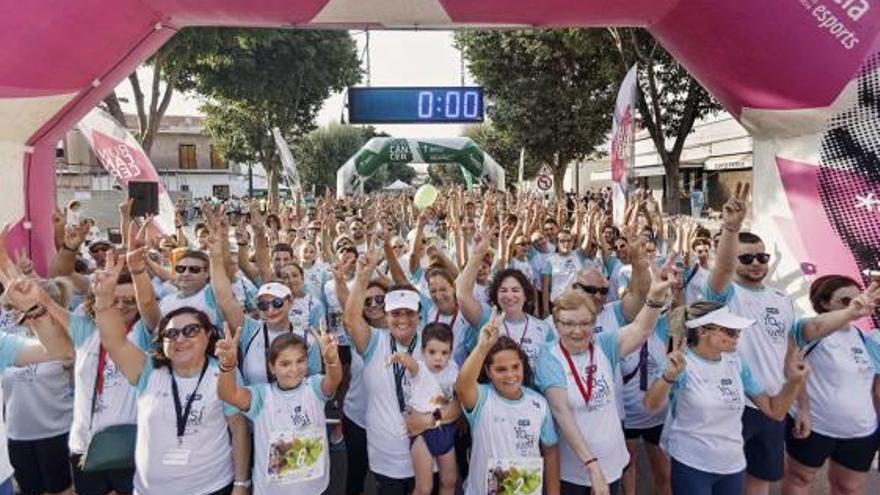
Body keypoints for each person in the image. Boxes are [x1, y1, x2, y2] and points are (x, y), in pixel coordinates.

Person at [92, 254, 251, 495]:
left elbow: (238, 429)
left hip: (213, 487)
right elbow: (114, 342)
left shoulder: (223, 370)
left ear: (208, 335)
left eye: (191, 330)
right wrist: (104, 300)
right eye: (171, 334)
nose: (181, 339)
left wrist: (241, 483)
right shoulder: (148, 371)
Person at [535, 257, 675, 495]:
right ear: (556, 325)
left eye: (585, 323)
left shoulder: (603, 345)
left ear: (594, 322)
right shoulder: (549, 358)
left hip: (612, 462)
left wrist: (654, 297)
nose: (578, 331)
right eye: (569, 324)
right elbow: (562, 413)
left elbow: (641, 328)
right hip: (574, 470)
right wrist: (592, 465)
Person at [644, 301, 810, 495]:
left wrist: (793, 382)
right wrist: (668, 376)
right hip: (692, 464)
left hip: (732, 465)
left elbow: (775, 411)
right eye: (730, 331)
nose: (738, 335)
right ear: (703, 331)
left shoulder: (736, 363)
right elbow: (650, 404)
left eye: (738, 331)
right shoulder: (681, 363)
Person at [704, 183, 798, 495]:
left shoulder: (782, 299)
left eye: (761, 256)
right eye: (747, 259)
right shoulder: (724, 293)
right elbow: (724, 266)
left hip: (773, 405)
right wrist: (731, 228)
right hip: (734, 405)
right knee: (725, 481)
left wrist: (802, 406)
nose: (756, 262)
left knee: (761, 480)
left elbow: (791, 357)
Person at [342, 251, 460, 494]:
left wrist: (429, 420)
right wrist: (362, 276)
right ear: (386, 315)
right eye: (396, 313)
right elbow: (352, 318)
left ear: (419, 314)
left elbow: (458, 404)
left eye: (409, 312)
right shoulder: (374, 342)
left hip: (429, 454)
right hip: (387, 458)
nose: (402, 319)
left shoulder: (434, 345)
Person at [782, 276, 880, 495]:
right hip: (814, 426)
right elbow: (794, 370)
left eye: (859, 299)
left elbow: (876, 390)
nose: (857, 305)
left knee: (849, 487)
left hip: (861, 431)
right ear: (824, 303)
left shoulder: (869, 340)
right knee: (799, 479)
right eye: (846, 300)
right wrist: (803, 410)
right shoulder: (809, 331)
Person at [216, 324, 342, 495]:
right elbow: (228, 394)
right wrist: (228, 366)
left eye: (301, 360)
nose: (294, 369)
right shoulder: (261, 395)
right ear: (272, 367)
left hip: (315, 489)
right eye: (285, 364)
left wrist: (331, 360)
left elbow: (333, 380)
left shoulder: (314, 387)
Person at [456, 311, 560, 495]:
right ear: (488, 371)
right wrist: (482, 347)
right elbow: (463, 386)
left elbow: (550, 451)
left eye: (515, 367)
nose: (510, 375)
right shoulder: (482, 397)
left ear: (523, 365)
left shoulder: (539, 404)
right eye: (501, 369)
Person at [209, 231, 322, 384]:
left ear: (291, 302)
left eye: (277, 303)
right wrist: (215, 258)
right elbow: (225, 299)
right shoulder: (249, 330)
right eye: (263, 305)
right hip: (258, 405)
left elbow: (316, 384)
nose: (270, 309)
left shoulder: (307, 340)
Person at [2, 280, 75, 495]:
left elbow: (63, 352)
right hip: (17, 434)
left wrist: (33, 308)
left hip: (55, 432)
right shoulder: (12, 335)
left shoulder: (7, 342)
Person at [386, 323, 460, 495]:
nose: (438, 358)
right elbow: (411, 364)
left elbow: (459, 397)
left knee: (449, 481)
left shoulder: (454, 370)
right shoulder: (421, 368)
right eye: (432, 352)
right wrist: (400, 357)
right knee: (423, 488)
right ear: (423, 351)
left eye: (444, 353)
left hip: (445, 430)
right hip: (422, 435)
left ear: (451, 351)